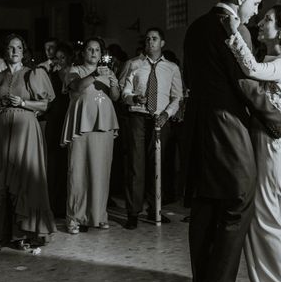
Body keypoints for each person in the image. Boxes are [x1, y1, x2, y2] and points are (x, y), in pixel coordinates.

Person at [183, 0, 281, 282]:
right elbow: (246, 84)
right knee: (238, 204)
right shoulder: (236, 30)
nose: (255, 12)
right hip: (228, 127)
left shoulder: (194, 28)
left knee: (205, 207)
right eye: (255, 4)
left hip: (197, 127)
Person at [223, 4, 281, 282]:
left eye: (267, 19)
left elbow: (252, 71)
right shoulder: (272, 57)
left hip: (273, 145)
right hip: (262, 141)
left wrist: (234, 34)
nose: (259, 21)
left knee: (270, 217)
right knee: (272, 216)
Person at [0, 34, 56, 252]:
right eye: (10, 47)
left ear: (23, 51)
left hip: (26, 131)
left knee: (25, 178)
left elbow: (45, 105)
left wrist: (24, 102)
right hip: (1, 131)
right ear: (5, 51)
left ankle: (24, 233)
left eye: (18, 47)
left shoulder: (34, 73)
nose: (15, 51)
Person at [121, 28, 183, 229]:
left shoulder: (172, 68)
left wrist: (167, 114)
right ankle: (133, 212)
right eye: (147, 39)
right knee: (136, 165)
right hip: (138, 116)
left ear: (162, 43)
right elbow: (125, 92)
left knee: (158, 165)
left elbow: (177, 96)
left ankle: (155, 209)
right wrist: (133, 98)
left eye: (154, 38)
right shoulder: (134, 64)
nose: (150, 42)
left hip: (160, 119)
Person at [62, 37, 120, 234]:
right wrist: (95, 74)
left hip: (103, 124)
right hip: (82, 124)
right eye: (90, 49)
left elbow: (115, 97)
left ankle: (99, 215)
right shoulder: (74, 70)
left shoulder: (108, 72)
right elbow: (78, 87)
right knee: (77, 172)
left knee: (101, 171)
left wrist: (113, 83)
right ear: (83, 52)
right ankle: (74, 218)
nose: (94, 53)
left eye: (97, 50)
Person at [44, 42, 73, 218]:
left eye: (63, 57)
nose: (60, 60)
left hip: (69, 119)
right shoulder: (50, 75)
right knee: (53, 163)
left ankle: (65, 204)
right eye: (57, 57)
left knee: (68, 164)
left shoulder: (74, 74)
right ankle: (53, 204)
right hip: (55, 120)